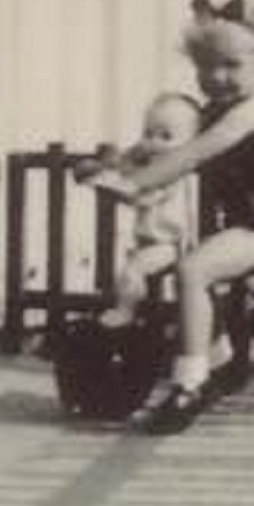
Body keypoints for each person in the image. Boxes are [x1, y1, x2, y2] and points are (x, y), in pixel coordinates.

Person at [90, 0, 254, 433]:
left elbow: (191, 153)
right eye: (208, 66)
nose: (218, 77)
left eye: (232, 66)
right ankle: (224, 359)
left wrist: (135, 185)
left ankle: (189, 383)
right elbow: (160, 146)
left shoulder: (251, 113)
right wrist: (113, 165)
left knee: (193, 270)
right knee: (187, 263)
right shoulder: (213, 110)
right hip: (239, 225)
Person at [79, 90, 201, 329]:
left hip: (173, 243)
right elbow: (126, 171)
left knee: (133, 271)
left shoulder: (175, 173)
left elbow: (142, 198)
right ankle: (152, 321)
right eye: (148, 133)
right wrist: (106, 170)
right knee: (136, 272)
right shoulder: (152, 166)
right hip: (151, 240)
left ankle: (125, 311)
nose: (153, 142)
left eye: (166, 136)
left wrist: (111, 186)